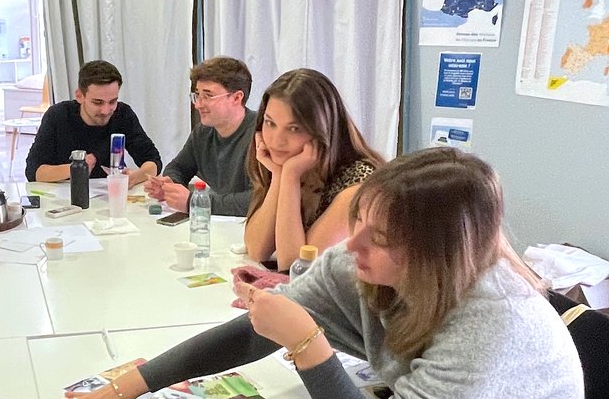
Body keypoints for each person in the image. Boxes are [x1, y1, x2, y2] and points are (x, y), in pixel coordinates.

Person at [39, 148, 591, 399]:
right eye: (359, 223)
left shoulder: (492, 324)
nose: (352, 247)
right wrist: (131, 385)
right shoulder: (361, 261)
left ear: (435, 257)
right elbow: (258, 330)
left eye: (381, 238)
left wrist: (308, 343)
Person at [242, 68, 385, 270]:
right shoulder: (295, 164)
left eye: (294, 128)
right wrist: (278, 176)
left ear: (323, 129)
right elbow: (257, 250)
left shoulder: (358, 184)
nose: (276, 140)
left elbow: (295, 268)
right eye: (270, 123)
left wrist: (289, 177)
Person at [143, 57, 257, 215]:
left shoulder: (261, 135)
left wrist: (194, 202)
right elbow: (178, 167)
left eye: (208, 96)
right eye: (197, 95)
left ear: (236, 98)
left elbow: (258, 199)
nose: (198, 104)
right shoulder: (203, 132)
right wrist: (171, 185)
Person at [25, 60, 161, 187]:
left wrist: (133, 178)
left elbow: (153, 160)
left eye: (112, 101)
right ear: (80, 96)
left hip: (108, 197)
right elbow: (33, 172)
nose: (106, 110)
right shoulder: (58, 115)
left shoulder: (123, 114)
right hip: (65, 196)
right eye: (98, 102)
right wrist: (77, 168)